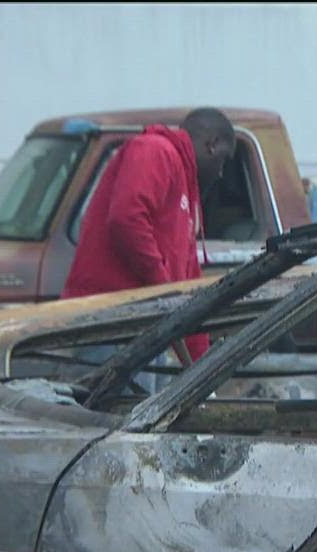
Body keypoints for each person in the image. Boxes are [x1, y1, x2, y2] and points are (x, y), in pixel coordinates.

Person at [62, 108, 235, 389]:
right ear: (212, 144)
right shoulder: (155, 150)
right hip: (114, 322)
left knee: (141, 422)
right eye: (223, 160)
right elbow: (127, 218)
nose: (221, 173)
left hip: (147, 328)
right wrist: (162, 288)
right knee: (110, 420)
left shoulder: (187, 195)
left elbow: (188, 287)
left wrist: (203, 373)